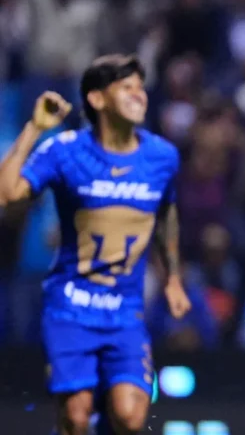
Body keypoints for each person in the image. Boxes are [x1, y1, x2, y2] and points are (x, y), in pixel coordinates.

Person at [0, 54, 192, 435]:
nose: (139, 95)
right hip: (71, 306)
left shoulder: (162, 156)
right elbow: (8, 194)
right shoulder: (65, 151)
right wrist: (35, 129)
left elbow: (167, 215)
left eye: (140, 87)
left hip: (126, 310)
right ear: (97, 99)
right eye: (126, 88)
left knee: (130, 417)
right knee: (75, 415)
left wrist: (172, 277)